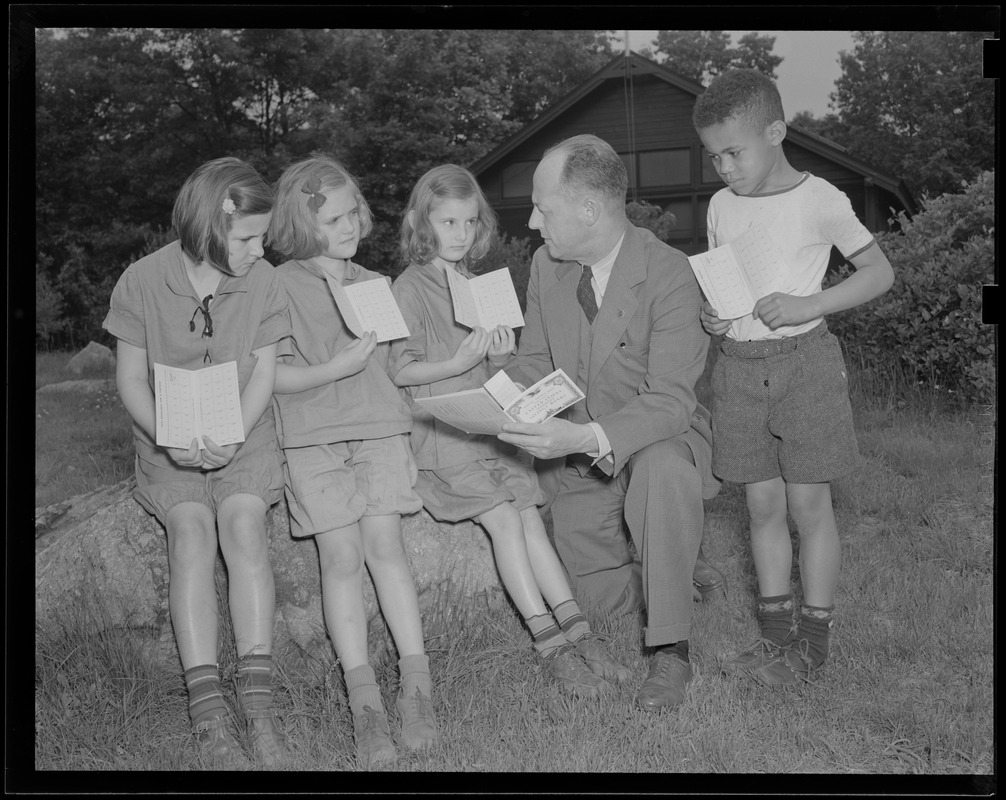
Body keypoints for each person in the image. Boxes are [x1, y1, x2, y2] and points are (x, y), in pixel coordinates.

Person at [495, 135, 724, 712]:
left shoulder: (671, 273)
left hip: (654, 439)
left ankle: (672, 650)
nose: (532, 220)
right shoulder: (547, 266)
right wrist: (493, 393)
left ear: (589, 211)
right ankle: (676, 561)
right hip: (576, 456)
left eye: (543, 208)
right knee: (598, 607)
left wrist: (581, 436)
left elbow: (671, 400)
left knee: (664, 471)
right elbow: (534, 363)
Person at [389, 164, 632, 699]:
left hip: (491, 424)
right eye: (448, 221)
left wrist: (502, 357)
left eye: (470, 222)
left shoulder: (480, 286)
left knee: (527, 516)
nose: (460, 233)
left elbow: (504, 370)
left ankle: (580, 633)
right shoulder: (408, 289)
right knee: (504, 518)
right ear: (420, 222)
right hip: (443, 432)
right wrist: (456, 361)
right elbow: (400, 371)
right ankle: (550, 644)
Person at [691, 69, 895, 684]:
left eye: (734, 151)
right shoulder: (721, 206)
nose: (723, 167)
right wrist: (714, 317)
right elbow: (724, 284)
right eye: (714, 156)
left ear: (775, 132)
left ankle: (813, 642)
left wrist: (810, 304)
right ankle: (774, 638)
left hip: (804, 364)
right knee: (761, 505)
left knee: (810, 505)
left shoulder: (820, 200)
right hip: (739, 368)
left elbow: (878, 273)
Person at [103, 157, 291, 766]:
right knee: (190, 533)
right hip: (169, 436)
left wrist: (235, 430)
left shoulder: (263, 280)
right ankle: (208, 712)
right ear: (210, 225)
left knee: (242, 525)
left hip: (244, 429)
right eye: (247, 238)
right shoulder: (141, 279)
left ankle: (258, 706)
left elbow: (264, 369)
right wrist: (165, 437)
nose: (259, 250)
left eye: (261, 237)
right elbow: (130, 379)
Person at [268, 154, 435, 771]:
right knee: (340, 558)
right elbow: (269, 376)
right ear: (299, 223)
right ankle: (364, 703)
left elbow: (397, 366)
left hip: (380, 429)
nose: (345, 226)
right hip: (313, 438)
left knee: (386, 546)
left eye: (351, 214)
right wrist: (331, 369)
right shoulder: (278, 285)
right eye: (330, 218)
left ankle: (417, 689)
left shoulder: (376, 284)